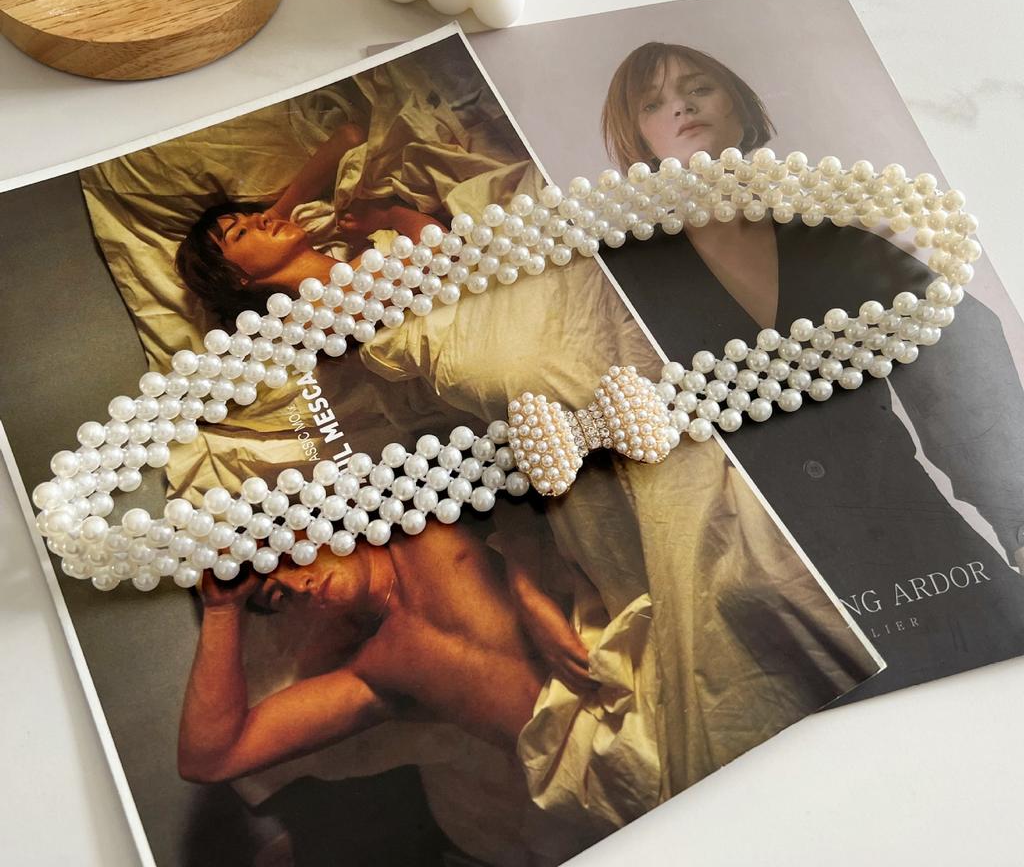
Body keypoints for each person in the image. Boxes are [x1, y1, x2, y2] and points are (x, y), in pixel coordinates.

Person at [598, 40, 1024, 698]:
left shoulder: (836, 230)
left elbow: (960, 359)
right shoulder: (621, 277)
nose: (680, 106)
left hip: (930, 554)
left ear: (738, 105)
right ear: (639, 137)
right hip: (775, 598)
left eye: (699, 87)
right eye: (653, 103)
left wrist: (1016, 520)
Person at [177, 516, 592, 785]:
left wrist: (526, 586)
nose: (296, 584)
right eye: (277, 598)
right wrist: (223, 609)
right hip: (591, 759)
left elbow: (527, 468)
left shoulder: (419, 518)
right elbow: (210, 759)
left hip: (608, 648)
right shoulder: (377, 670)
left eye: (286, 558)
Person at [174, 119, 447, 326]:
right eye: (240, 233)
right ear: (235, 277)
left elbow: (350, 137)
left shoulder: (352, 263)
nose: (258, 219)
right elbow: (440, 249)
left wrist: (278, 211)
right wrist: (387, 215)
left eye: (253, 216)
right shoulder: (310, 316)